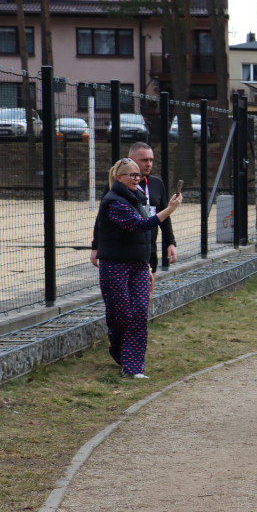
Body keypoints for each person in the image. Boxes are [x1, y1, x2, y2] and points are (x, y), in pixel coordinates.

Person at [94, 157, 182, 378]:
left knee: (140, 314)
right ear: (119, 177)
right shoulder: (114, 202)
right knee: (122, 315)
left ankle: (133, 368)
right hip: (115, 266)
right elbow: (139, 226)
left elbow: (148, 232)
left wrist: (147, 265)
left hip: (139, 266)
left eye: (138, 175)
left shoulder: (138, 199)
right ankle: (119, 351)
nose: (136, 179)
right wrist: (169, 209)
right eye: (132, 175)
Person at [91, 142, 177, 296]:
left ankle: (144, 313)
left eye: (151, 160)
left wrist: (170, 242)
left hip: (148, 249)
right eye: (144, 160)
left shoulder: (157, 183)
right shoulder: (116, 187)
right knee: (123, 300)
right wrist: (96, 246)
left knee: (145, 298)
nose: (149, 164)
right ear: (130, 159)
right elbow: (101, 219)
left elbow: (164, 216)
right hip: (123, 252)